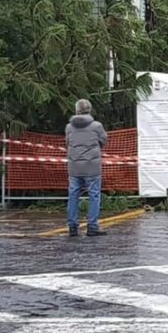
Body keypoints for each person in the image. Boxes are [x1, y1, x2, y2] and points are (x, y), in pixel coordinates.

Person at [66, 99, 108, 237]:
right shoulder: (97, 126)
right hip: (92, 167)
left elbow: (67, 143)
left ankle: (72, 227)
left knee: (73, 196)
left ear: (76, 110)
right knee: (94, 196)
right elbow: (103, 141)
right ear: (89, 110)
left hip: (74, 167)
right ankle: (92, 226)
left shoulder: (69, 128)